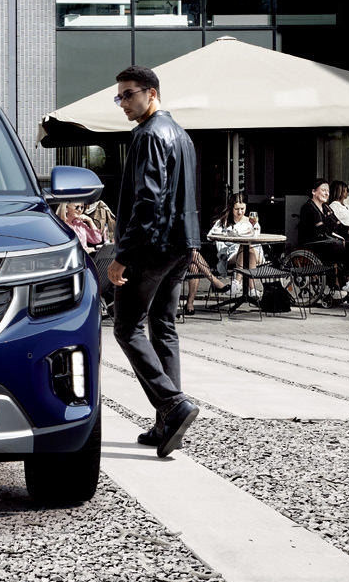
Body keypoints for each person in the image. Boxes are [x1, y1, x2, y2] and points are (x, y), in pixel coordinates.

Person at [106, 65, 201, 458]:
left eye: (128, 94)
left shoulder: (148, 135)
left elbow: (148, 200)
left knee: (126, 327)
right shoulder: (181, 135)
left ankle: (172, 404)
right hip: (181, 244)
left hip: (153, 246)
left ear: (152, 93)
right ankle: (167, 422)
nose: (123, 103)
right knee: (163, 328)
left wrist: (122, 255)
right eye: (119, 96)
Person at [297, 177, 349, 295]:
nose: (327, 193)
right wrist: (338, 237)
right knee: (337, 245)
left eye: (328, 191)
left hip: (325, 241)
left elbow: (338, 225)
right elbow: (321, 230)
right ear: (313, 191)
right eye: (323, 190)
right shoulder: (308, 207)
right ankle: (341, 282)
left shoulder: (325, 207)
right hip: (312, 243)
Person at [208, 192, 264, 299]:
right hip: (231, 253)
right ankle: (252, 289)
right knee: (246, 247)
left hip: (255, 252)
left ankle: (237, 282)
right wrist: (225, 234)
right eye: (237, 209)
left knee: (247, 246)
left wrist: (254, 228)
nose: (240, 212)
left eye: (242, 209)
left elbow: (256, 236)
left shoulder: (251, 221)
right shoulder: (223, 221)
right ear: (231, 208)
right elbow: (210, 235)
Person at [182, 249, 228, 316]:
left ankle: (189, 304)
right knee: (194, 254)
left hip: (195, 260)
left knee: (194, 266)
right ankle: (214, 281)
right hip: (176, 258)